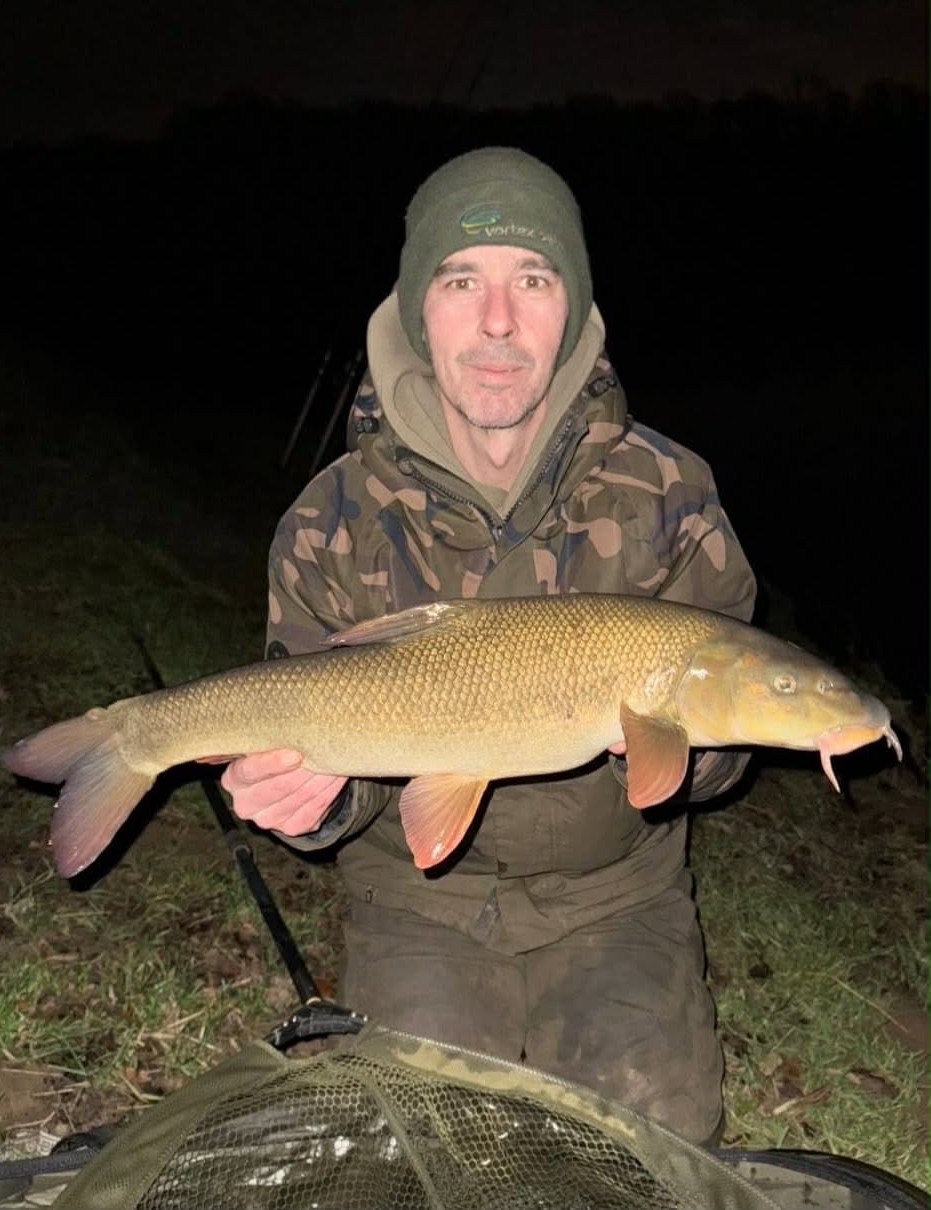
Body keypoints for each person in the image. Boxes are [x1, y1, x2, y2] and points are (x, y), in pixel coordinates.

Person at [221, 147, 756, 1146]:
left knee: (645, 1146)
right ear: (418, 308)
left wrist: (698, 746)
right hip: (417, 901)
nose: (499, 321)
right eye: (463, 281)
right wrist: (315, 801)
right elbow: (332, 760)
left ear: (576, 310)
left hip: (618, 897)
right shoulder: (331, 515)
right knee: (418, 1149)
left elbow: (716, 762)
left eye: (534, 280)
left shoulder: (674, 496)